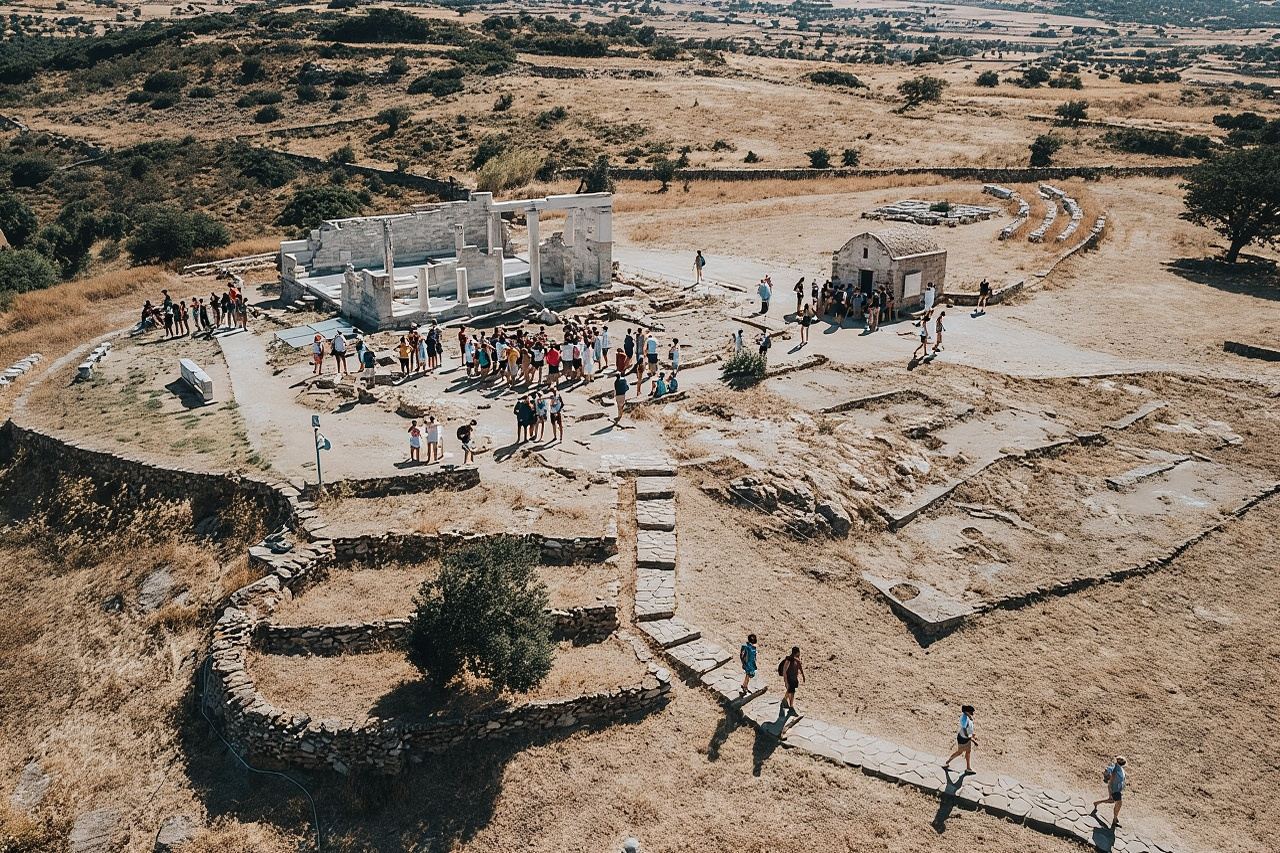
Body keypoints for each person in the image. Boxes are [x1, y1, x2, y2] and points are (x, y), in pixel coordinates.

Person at [1092, 756, 1127, 829]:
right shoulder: (1115, 770)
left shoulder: (1119, 768)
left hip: (1117, 789)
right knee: (1118, 803)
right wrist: (1110, 792)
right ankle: (1114, 819)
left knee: (1112, 801)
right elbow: (1110, 783)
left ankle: (1097, 803)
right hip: (1115, 790)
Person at [944, 705, 977, 773]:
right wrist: (971, 738)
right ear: (966, 712)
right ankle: (947, 762)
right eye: (971, 712)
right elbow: (965, 731)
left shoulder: (967, 716)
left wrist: (971, 734)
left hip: (965, 738)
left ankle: (968, 768)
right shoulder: (964, 719)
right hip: (964, 739)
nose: (972, 713)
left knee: (968, 752)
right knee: (959, 752)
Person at [778, 646, 805, 727]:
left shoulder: (797, 660)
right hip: (790, 678)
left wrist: (803, 675)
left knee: (790, 691)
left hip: (793, 678)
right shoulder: (788, 660)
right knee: (792, 692)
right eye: (799, 652)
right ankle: (791, 707)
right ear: (796, 652)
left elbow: (799, 667)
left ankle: (784, 701)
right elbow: (785, 671)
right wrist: (785, 681)